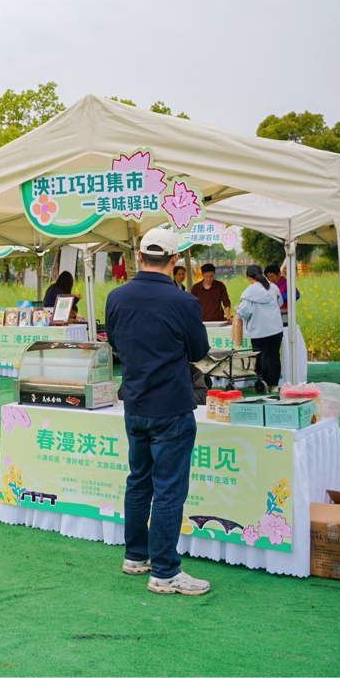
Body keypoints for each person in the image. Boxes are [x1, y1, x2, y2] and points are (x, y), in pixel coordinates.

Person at [105, 228, 211, 596]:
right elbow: (199, 351)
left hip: (134, 402)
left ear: (139, 255)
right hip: (171, 406)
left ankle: (136, 556)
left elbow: (117, 344)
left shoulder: (116, 297)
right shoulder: (183, 301)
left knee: (139, 481)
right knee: (168, 490)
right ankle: (165, 572)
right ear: (174, 260)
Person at [238, 265, 285, 392]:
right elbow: (279, 303)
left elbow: (245, 311)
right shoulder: (272, 287)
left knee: (260, 357)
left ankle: (262, 384)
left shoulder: (250, 291)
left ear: (249, 277)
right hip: (276, 328)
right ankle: (274, 385)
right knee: (274, 356)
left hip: (259, 330)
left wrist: (238, 310)